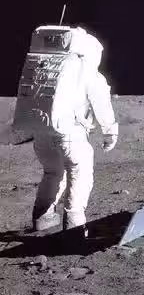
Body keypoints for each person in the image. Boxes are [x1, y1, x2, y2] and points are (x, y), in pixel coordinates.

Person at [31, 27, 119, 234]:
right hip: (70, 134)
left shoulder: (43, 66)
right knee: (80, 173)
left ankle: (42, 217)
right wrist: (110, 132)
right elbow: (102, 105)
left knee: (53, 172)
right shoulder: (87, 72)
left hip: (42, 133)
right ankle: (74, 227)